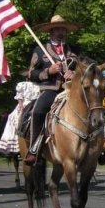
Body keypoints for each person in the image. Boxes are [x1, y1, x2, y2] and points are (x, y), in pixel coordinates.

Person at [24, 15, 80, 165]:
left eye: (63, 29)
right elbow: (31, 74)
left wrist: (73, 74)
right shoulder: (40, 50)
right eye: (57, 29)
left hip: (71, 90)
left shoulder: (73, 50)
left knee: (92, 106)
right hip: (50, 90)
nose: (61, 32)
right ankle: (34, 148)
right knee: (37, 111)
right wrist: (49, 71)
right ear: (51, 31)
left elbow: (82, 70)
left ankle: (97, 147)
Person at [0, 80, 40, 155]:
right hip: (25, 104)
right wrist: (21, 105)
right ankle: (14, 142)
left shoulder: (38, 84)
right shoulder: (22, 84)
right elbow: (19, 97)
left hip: (35, 104)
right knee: (13, 117)